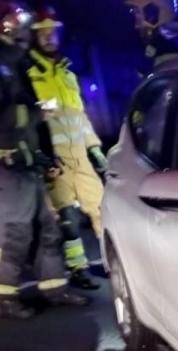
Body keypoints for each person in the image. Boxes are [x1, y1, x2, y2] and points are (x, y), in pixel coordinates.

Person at [0, 1, 87, 319]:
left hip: (26, 160)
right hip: (8, 164)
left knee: (48, 227)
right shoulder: (5, 62)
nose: (21, 24)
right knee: (16, 231)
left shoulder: (15, 61)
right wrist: (38, 112)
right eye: (15, 19)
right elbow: (11, 116)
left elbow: (24, 112)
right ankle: (5, 296)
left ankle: (55, 288)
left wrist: (42, 155)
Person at [28, 6, 104, 290]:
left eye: (53, 32)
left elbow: (80, 117)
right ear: (35, 37)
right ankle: (78, 268)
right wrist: (41, 156)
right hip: (55, 161)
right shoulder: (30, 74)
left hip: (80, 157)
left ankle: (110, 259)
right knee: (66, 216)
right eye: (43, 33)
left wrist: (95, 149)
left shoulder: (68, 74)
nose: (49, 37)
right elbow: (31, 120)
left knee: (101, 208)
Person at [125, 0, 178, 76]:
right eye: (133, 12)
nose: (136, 24)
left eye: (137, 12)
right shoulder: (140, 43)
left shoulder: (170, 50)